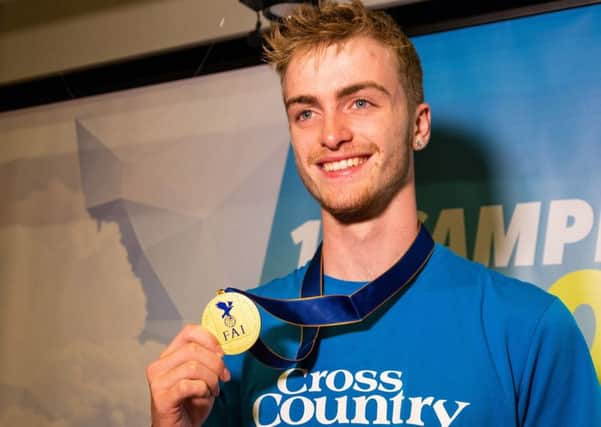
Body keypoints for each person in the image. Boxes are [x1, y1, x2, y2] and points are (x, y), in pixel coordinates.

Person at [146, 1, 601, 426]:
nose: (331, 134)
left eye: (359, 102)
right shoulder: (242, 340)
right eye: (306, 112)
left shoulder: (530, 329)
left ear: (418, 126)